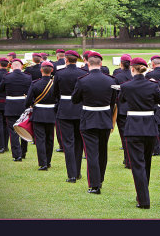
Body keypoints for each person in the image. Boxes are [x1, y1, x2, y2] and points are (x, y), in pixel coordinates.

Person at [119, 57, 160, 209]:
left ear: (132, 69)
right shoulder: (153, 85)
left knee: (138, 165)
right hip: (149, 128)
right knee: (146, 163)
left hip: (133, 127)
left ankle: (143, 198)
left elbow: (121, 101)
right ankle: (142, 194)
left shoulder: (126, 86)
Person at [71, 51, 117, 194]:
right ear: (101, 64)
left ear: (87, 64)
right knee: (102, 151)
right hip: (104, 119)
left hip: (89, 119)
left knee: (91, 153)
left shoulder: (82, 80)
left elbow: (75, 99)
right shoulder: (111, 80)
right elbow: (113, 101)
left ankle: (95, 184)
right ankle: (100, 179)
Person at [53, 50, 88, 182]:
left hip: (65, 110)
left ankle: (72, 175)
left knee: (68, 143)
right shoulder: (83, 73)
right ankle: (77, 172)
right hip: (79, 109)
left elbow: (55, 92)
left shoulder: (59, 73)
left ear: (66, 60)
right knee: (79, 142)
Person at [0, 59, 32, 162]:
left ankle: (17, 155)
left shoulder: (7, 77)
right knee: (23, 128)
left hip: (11, 106)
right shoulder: (27, 77)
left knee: (13, 131)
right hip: (23, 105)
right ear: (21, 66)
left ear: (12, 67)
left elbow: (0, 89)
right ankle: (23, 152)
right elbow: (30, 91)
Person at [25, 61, 56, 170]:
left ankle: (42, 163)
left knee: (40, 139)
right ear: (52, 70)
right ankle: (48, 162)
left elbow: (28, 101)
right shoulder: (55, 84)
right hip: (51, 114)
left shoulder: (35, 83)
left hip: (38, 114)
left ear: (41, 70)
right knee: (50, 139)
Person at [114, 54, 133, 169]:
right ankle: (130, 159)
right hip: (134, 107)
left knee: (124, 137)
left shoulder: (117, 76)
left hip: (122, 109)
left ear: (121, 63)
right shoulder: (134, 74)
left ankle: (128, 160)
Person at [145, 55, 160, 156]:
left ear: (152, 64)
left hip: (154, 102)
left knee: (154, 126)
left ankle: (156, 147)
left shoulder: (149, 74)